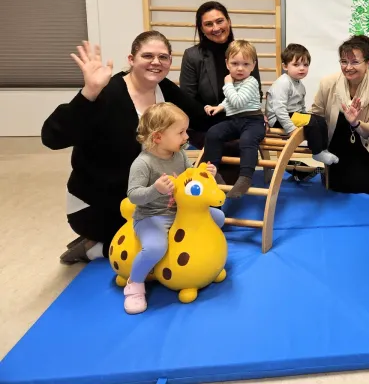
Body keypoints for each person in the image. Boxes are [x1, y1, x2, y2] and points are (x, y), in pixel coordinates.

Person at [42, 34, 209, 264]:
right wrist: (89, 93)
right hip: (97, 204)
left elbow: (202, 118)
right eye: (147, 55)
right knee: (162, 248)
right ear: (131, 59)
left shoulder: (164, 90)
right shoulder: (107, 92)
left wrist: (248, 122)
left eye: (163, 57)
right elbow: (52, 138)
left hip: (145, 195)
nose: (156, 62)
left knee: (192, 227)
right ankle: (92, 248)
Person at [123, 103, 225, 314]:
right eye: (180, 132)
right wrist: (155, 190)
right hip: (152, 216)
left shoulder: (178, 155)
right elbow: (133, 195)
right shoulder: (143, 164)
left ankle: (202, 259)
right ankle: (134, 285)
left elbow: (190, 176)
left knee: (218, 218)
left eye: (185, 131)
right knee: (154, 248)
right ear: (158, 137)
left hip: (179, 212)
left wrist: (205, 173)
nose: (186, 137)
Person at [310, 34, 369, 193]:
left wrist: (355, 123)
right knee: (337, 186)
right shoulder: (328, 83)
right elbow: (316, 116)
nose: (348, 67)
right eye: (344, 61)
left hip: (367, 145)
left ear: (368, 63)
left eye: (355, 62)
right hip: (336, 144)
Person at [179, 1, 262, 150]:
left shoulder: (247, 52)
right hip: (206, 121)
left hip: (241, 118)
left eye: (220, 21)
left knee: (241, 141)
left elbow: (257, 91)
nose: (216, 28)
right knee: (223, 142)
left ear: (228, 22)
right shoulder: (192, 56)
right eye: (209, 24)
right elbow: (188, 99)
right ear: (201, 29)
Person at [203, 40, 265, 199]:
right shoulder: (235, 83)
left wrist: (227, 84)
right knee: (213, 133)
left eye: (245, 64)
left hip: (253, 121)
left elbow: (237, 101)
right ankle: (213, 171)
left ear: (253, 66)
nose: (240, 68)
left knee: (247, 140)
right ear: (227, 64)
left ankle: (245, 178)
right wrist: (219, 107)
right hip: (235, 121)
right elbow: (230, 100)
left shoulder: (251, 82)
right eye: (235, 63)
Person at [266, 43, 338, 165]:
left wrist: (306, 115)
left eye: (305, 65)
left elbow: (301, 107)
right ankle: (317, 152)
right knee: (311, 121)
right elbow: (279, 109)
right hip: (278, 118)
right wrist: (290, 129)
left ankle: (323, 149)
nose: (302, 68)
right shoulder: (283, 83)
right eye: (296, 64)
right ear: (285, 66)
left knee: (320, 120)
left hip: (294, 115)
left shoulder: (300, 85)